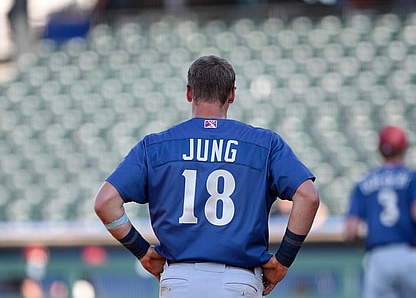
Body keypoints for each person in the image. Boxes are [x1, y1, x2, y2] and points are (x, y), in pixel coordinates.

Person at [94, 55, 320, 297]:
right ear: (231, 94)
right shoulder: (264, 143)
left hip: (179, 279)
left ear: (189, 93)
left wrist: (143, 252)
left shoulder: (156, 145)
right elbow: (308, 196)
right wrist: (283, 260)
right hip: (239, 279)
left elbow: (105, 202)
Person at [345, 125, 416, 298]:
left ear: (380, 150)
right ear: (404, 148)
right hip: (412, 253)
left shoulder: (364, 182)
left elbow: (351, 230)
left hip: (379, 257)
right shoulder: (415, 178)